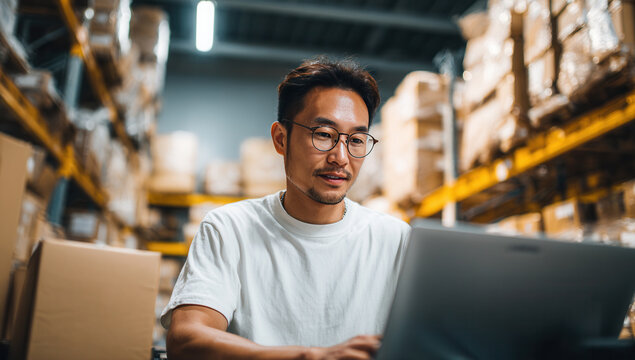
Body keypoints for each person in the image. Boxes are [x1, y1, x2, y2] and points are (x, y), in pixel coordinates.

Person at [162, 58, 411, 360]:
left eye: (356, 140)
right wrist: (309, 357)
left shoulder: (395, 239)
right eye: (323, 135)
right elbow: (186, 339)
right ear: (281, 139)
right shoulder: (230, 228)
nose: (341, 157)